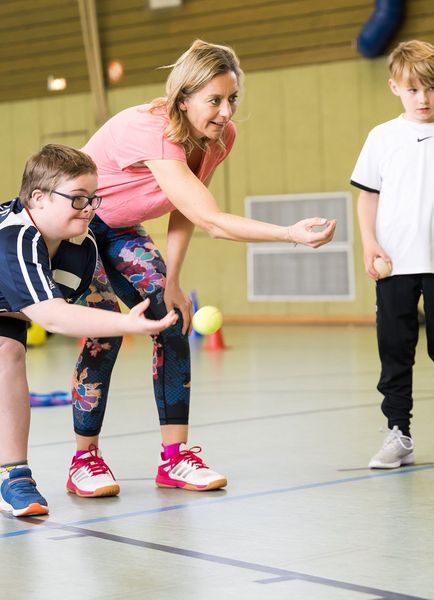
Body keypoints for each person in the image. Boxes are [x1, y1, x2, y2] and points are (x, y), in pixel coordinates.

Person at [68, 39, 336, 498]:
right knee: (106, 333)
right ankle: (84, 460)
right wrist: (290, 234)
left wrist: (172, 280)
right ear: (183, 98)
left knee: (171, 322)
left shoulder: (218, 138)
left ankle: (175, 459)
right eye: (215, 100)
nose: (227, 111)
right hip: (78, 229)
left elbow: (186, 209)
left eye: (232, 99)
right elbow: (212, 219)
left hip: (125, 228)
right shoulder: (151, 129)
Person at [0, 144, 178, 517]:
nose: (89, 209)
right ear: (39, 198)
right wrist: (127, 323)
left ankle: (14, 476)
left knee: (7, 351)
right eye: (78, 200)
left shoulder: (80, 245)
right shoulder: (17, 238)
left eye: (92, 199)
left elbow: (61, 309)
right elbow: (52, 317)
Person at [351, 40, 434, 469]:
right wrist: (369, 243)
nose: (423, 98)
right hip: (395, 263)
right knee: (395, 351)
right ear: (395, 87)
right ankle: (398, 434)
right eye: (412, 89)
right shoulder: (382, 137)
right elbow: (367, 198)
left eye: (430, 88)